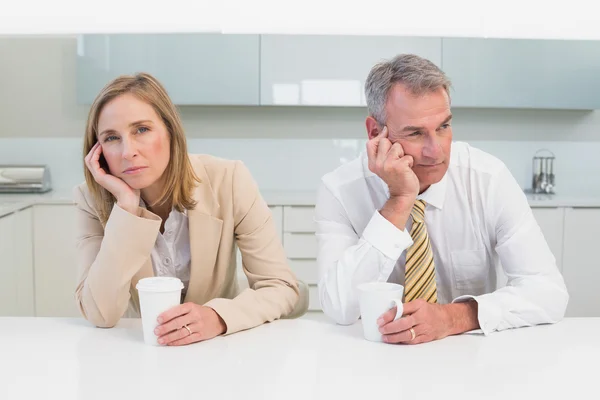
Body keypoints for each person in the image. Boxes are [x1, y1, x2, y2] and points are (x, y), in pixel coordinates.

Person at [314, 54, 569, 344]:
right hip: (374, 359)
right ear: (376, 132)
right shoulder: (339, 190)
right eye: (415, 133)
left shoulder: (488, 179)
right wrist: (399, 201)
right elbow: (339, 308)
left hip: (468, 356)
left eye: (443, 127)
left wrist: (453, 317)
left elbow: (548, 291)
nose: (436, 151)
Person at [74, 72, 308, 346]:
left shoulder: (229, 180)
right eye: (112, 138)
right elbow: (99, 314)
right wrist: (126, 209)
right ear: (98, 151)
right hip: (144, 351)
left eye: (141, 130)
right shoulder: (91, 199)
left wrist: (217, 317)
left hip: (222, 348)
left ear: (171, 131)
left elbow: (281, 287)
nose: (128, 151)